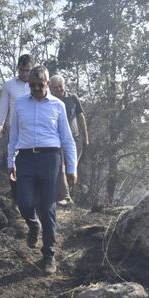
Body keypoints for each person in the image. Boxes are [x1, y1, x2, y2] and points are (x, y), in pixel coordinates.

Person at [8, 66, 77, 275]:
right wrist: (10, 162)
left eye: (41, 84)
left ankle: (49, 255)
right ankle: (32, 225)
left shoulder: (58, 106)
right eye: (33, 85)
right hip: (25, 159)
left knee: (48, 209)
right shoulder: (20, 104)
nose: (37, 89)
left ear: (47, 83)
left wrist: (71, 168)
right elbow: (12, 137)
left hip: (50, 159)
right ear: (28, 84)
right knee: (24, 203)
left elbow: (67, 138)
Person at [0, 54, 33, 203]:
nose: (25, 74)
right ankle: (15, 198)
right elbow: (2, 110)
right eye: (22, 70)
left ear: (32, 68)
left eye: (28, 70)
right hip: (15, 131)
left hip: (34, 133)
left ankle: (29, 200)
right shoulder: (9, 85)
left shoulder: (38, 84)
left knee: (30, 166)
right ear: (18, 68)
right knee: (13, 163)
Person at [50, 75, 89, 206]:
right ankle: (65, 196)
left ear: (64, 85)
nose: (58, 89)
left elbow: (81, 117)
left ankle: (69, 196)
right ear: (51, 89)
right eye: (55, 88)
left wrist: (86, 137)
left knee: (72, 169)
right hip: (58, 140)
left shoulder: (73, 98)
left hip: (75, 138)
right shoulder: (50, 101)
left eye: (60, 86)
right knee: (61, 166)